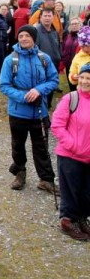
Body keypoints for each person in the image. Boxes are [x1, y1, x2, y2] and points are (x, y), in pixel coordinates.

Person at [0, 25, 60, 194]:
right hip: (18, 112)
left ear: (34, 38)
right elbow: (3, 86)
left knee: (41, 146)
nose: (24, 38)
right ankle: (20, 174)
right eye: (21, 36)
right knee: (18, 145)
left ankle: (46, 180)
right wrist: (24, 96)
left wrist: (39, 90)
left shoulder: (44, 58)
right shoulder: (11, 60)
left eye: (27, 36)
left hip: (40, 111)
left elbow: (54, 80)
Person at [50, 62, 90, 241]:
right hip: (70, 155)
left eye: (88, 78)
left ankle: (81, 218)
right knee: (70, 191)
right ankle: (67, 221)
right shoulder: (70, 99)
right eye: (82, 77)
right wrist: (72, 145)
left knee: (86, 191)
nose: (84, 81)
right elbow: (57, 125)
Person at [34, 8, 61, 109]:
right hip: (42, 65)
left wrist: (59, 57)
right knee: (43, 86)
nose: (47, 18)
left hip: (55, 64)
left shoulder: (55, 32)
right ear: (40, 17)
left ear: (53, 17)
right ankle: (41, 106)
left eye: (49, 16)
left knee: (51, 85)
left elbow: (58, 47)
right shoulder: (36, 31)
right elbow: (34, 50)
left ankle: (48, 105)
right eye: (45, 16)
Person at [62, 18, 82, 91]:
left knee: (80, 86)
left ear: (80, 25)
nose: (74, 25)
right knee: (71, 83)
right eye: (72, 24)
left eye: (76, 24)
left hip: (79, 65)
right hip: (69, 65)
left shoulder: (83, 36)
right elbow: (63, 48)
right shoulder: (67, 36)